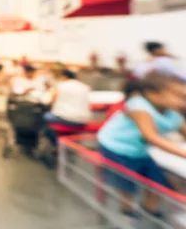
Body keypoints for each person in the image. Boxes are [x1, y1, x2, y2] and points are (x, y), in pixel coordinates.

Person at [97, 71, 186, 219]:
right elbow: (150, 136)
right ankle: (127, 209)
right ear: (153, 94)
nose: (182, 101)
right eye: (178, 96)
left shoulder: (174, 114)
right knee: (126, 183)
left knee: (158, 182)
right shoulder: (139, 106)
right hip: (116, 147)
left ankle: (150, 210)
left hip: (140, 151)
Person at [43, 69, 92, 145]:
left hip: (67, 119)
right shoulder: (85, 87)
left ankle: (56, 143)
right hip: (84, 120)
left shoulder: (60, 86)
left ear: (64, 76)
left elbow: (49, 101)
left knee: (44, 117)